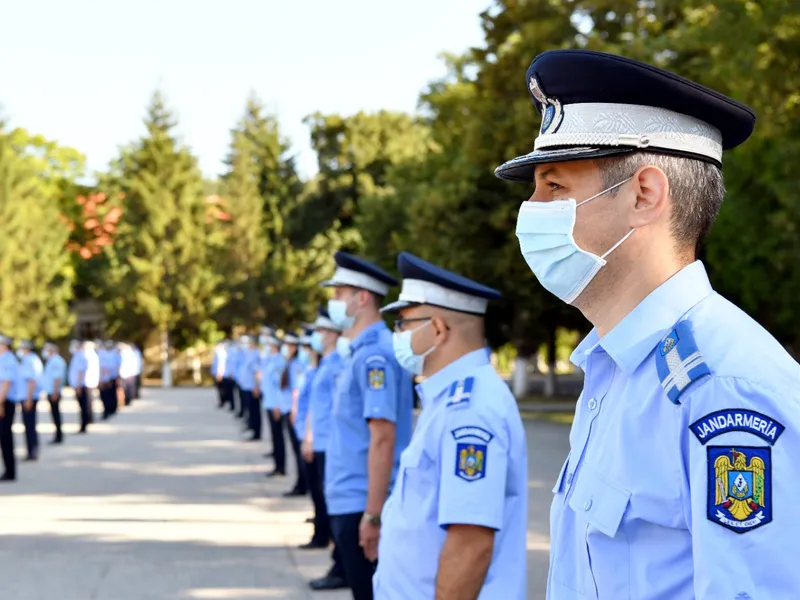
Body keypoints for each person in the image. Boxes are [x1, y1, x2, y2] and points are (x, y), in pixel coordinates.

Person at [494, 49, 800, 599]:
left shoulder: (725, 390)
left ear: (644, 194)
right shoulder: (615, 367)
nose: (530, 208)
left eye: (554, 187)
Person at [373, 252, 527, 599]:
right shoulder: (447, 399)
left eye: (403, 323)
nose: (397, 334)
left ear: (438, 329)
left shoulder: (470, 409)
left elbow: (470, 544)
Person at [320, 251, 415, 600]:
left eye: (338, 294)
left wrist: (372, 515)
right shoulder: (360, 352)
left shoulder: (375, 355)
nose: (333, 302)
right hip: (350, 495)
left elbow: (383, 438)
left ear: (362, 297)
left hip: (363, 500)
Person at [301, 310, 348, 592]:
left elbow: (336, 412)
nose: (316, 337)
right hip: (320, 441)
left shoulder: (336, 365)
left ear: (331, 333)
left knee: (334, 504)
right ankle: (336, 559)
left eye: (320, 331)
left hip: (330, 444)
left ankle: (339, 564)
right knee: (323, 498)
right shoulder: (324, 364)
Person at [277, 334, 309, 497]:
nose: (286, 348)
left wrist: (294, 411)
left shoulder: (297, 365)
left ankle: (302, 484)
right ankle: (301, 482)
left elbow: (297, 390)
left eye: (289, 345)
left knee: (298, 451)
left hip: (293, 411)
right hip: (287, 408)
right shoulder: (289, 363)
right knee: (296, 450)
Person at [261, 335, 285, 474]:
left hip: (275, 405)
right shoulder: (271, 360)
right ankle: (277, 464)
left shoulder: (279, 361)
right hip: (269, 403)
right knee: (275, 436)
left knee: (278, 437)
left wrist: (277, 404)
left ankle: (280, 467)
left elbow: (278, 386)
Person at [18, 340, 43, 460]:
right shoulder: (33, 359)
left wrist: (28, 399)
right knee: (30, 424)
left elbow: (31, 381)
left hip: (29, 397)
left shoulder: (29, 360)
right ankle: (33, 449)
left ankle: (32, 451)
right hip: (30, 396)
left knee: (29, 425)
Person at [0, 334, 20, 481]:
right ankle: (8, 470)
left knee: (6, 437)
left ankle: (10, 472)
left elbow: (6, 383)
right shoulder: (5, 358)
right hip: (3, 402)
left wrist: (0, 404)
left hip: (5, 402)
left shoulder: (7, 359)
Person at [235, 335, 261, 441]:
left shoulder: (256, 354)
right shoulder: (247, 354)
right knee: (250, 409)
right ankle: (251, 427)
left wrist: (256, 386)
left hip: (252, 387)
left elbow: (257, 372)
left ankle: (256, 432)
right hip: (246, 385)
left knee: (255, 410)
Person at [41, 342, 67, 445]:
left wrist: (55, 392)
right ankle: (57, 435)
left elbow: (57, 378)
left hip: (54, 392)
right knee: (54, 414)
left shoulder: (56, 361)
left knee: (56, 414)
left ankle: (59, 436)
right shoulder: (51, 360)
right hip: (51, 391)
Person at [68, 340, 90, 433]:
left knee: (83, 406)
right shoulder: (77, 355)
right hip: (78, 385)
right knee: (81, 406)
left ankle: (84, 425)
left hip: (81, 385)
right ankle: (83, 424)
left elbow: (80, 372)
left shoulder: (81, 356)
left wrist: (78, 385)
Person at [83, 341, 100, 423]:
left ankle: (89, 418)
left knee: (88, 402)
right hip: (90, 381)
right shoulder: (92, 355)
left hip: (88, 381)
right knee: (89, 401)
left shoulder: (88, 356)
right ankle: (89, 417)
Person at [119, 342, 138, 406]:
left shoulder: (131, 354)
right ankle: (126, 400)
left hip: (129, 374)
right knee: (125, 388)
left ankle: (128, 400)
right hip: (125, 374)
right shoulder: (122, 354)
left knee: (129, 388)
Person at [211, 340, 227, 408]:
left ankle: (222, 402)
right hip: (217, 374)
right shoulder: (218, 353)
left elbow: (221, 364)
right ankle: (221, 401)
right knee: (219, 389)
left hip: (219, 374)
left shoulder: (221, 353)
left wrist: (219, 374)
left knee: (221, 389)